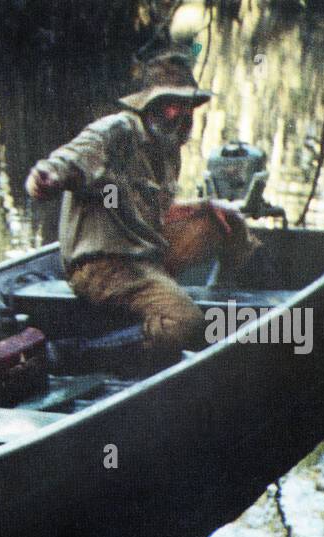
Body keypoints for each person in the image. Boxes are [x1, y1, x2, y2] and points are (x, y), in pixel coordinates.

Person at [25, 50, 260, 356]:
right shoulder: (116, 132)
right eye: (173, 104)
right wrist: (44, 180)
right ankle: (82, 352)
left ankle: (233, 310)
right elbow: (64, 162)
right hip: (102, 267)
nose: (183, 114)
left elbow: (155, 212)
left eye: (188, 105)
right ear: (151, 104)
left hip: (143, 255)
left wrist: (204, 207)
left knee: (228, 224)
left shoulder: (167, 148)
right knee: (186, 322)